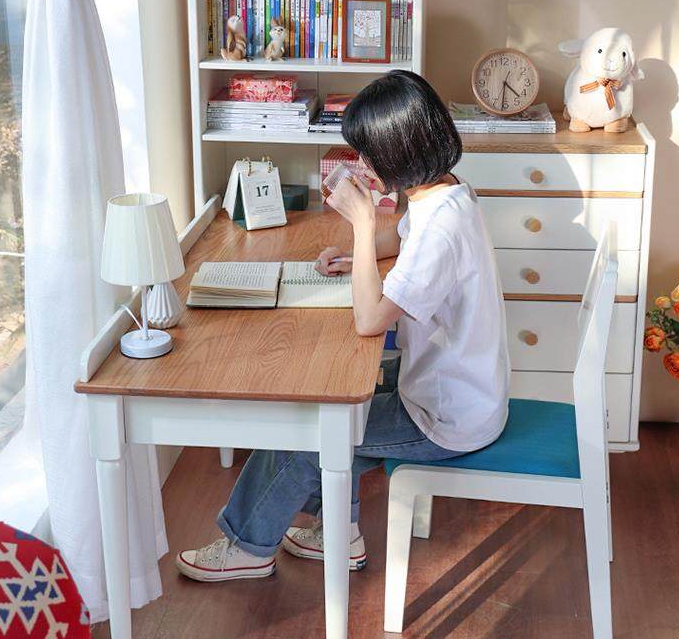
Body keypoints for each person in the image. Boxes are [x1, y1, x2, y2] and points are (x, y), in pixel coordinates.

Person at [177, 71, 510, 580]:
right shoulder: (447, 192)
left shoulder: (440, 229)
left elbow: (369, 319)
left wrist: (360, 225)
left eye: (368, 153)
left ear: (397, 151)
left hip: (445, 419)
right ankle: (338, 532)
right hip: (464, 389)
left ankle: (247, 547)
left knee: (302, 429)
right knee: (331, 398)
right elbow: (404, 239)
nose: (363, 164)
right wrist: (357, 256)